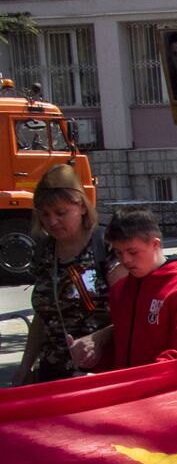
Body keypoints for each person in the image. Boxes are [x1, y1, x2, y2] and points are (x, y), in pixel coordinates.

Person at [13, 165, 112, 385]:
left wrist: (99, 338)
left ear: (82, 207)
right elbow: (42, 316)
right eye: (45, 214)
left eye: (61, 212)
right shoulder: (45, 251)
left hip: (101, 371)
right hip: (53, 372)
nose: (52, 222)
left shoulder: (106, 245)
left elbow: (132, 311)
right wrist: (25, 365)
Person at [91, 208, 177, 370]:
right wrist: (94, 359)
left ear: (155, 244)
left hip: (161, 392)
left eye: (132, 252)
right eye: (118, 252)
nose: (125, 259)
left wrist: (137, 382)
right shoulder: (119, 290)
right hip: (127, 389)